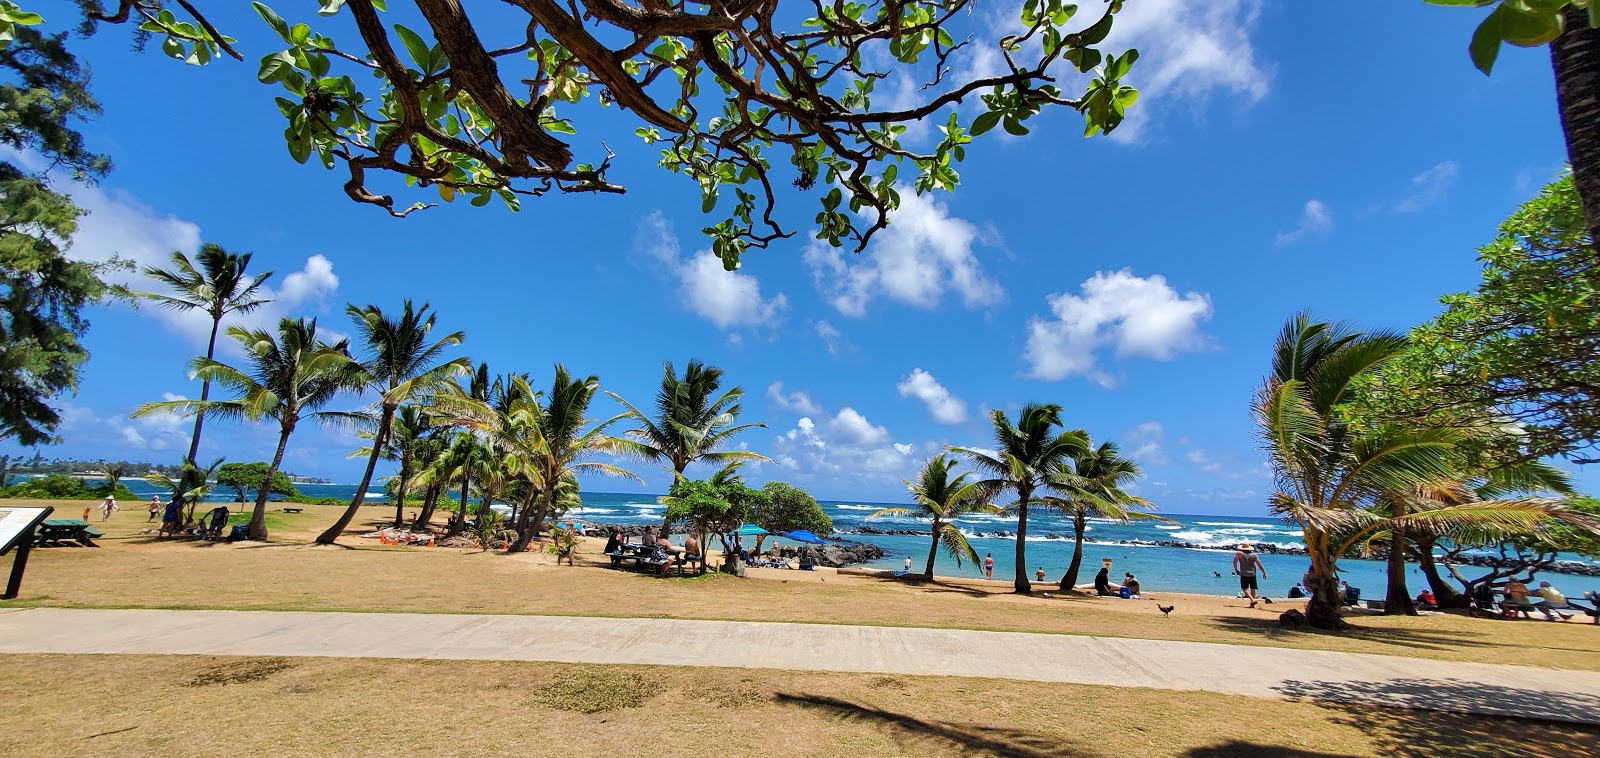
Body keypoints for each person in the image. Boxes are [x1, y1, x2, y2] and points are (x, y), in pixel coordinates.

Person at [1232, 543, 1267, 608]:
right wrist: (1264, 572)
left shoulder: (1239, 554)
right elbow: (1259, 565)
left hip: (1244, 574)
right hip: (1253, 574)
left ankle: (1252, 600)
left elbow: (1234, 562)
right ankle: (1252, 604)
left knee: (1244, 588)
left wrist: (1236, 569)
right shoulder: (1254, 555)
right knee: (1253, 588)